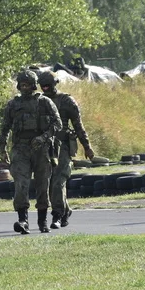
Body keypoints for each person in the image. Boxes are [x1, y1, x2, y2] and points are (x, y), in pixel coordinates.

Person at [0, 70, 61, 234]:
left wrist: (44, 137)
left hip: (41, 149)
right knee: (21, 184)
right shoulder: (13, 105)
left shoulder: (45, 102)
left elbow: (57, 124)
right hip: (20, 149)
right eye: (22, 85)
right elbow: (5, 128)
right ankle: (23, 220)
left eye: (28, 85)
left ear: (33, 85)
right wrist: (2, 149)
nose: (25, 88)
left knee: (42, 185)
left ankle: (42, 220)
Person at [39, 70, 95, 228]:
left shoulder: (66, 101)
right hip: (44, 148)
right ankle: (66, 209)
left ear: (55, 84)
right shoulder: (38, 102)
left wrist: (87, 147)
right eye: (42, 86)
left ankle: (57, 215)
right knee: (49, 184)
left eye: (48, 85)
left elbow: (78, 126)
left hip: (62, 146)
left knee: (58, 182)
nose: (45, 89)